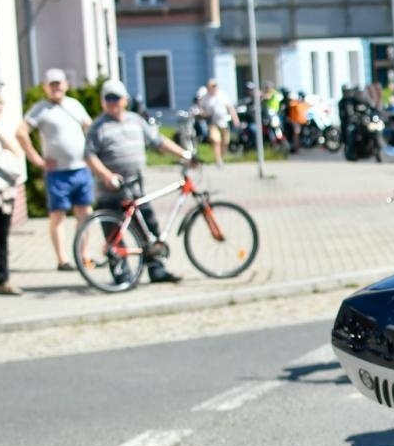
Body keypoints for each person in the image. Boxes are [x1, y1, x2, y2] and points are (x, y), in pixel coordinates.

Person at [84, 79, 197, 285]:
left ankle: (157, 269)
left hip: (135, 190)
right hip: (110, 191)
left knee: (149, 229)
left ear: (125, 100)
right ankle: (122, 275)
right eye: (108, 98)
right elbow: (90, 157)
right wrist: (107, 176)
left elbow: (158, 141)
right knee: (113, 237)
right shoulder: (97, 127)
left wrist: (184, 154)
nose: (112, 102)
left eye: (116, 98)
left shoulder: (136, 121)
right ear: (102, 102)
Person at [17, 69, 95, 271]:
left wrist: (92, 156)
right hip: (57, 172)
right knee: (57, 214)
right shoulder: (40, 109)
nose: (56, 87)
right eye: (52, 84)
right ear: (46, 87)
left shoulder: (74, 105)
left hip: (80, 168)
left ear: (65, 85)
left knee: (85, 212)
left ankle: (84, 254)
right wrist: (37, 160)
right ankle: (62, 259)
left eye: (59, 83)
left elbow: (90, 128)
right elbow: (21, 132)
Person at [0, 86, 44, 295]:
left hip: (3, 193)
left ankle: (4, 281)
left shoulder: (1, 129)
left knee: (1, 238)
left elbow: (16, 155)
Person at [197, 78, 236, 167]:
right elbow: (200, 107)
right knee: (216, 140)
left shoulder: (223, 95)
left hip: (224, 122)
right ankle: (218, 160)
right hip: (212, 122)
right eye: (212, 86)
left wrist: (235, 119)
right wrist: (202, 114)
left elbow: (230, 108)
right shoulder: (205, 98)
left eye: (215, 86)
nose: (214, 88)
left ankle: (221, 157)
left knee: (225, 142)